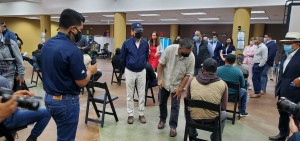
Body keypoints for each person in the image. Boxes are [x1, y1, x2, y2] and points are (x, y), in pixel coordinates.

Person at [41, 9, 97, 141]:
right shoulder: (72, 50)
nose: (81, 33)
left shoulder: (47, 44)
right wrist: (90, 71)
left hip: (49, 99)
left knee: (62, 134)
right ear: (72, 29)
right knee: (66, 138)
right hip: (66, 103)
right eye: (80, 29)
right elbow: (82, 82)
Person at [157, 38, 195, 137]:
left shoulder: (191, 57)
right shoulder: (169, 50)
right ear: (180, 48)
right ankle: (162, 120)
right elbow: (160, 65)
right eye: (186, 52)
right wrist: (159, 79)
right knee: (162, 102)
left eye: (189, 51)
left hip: (178, 84)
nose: (188, 53)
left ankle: (173, 127)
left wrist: (180, 88)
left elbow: (188, 75)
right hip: (165, 82)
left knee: (175, 106)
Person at [187, 58, 228, 141]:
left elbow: (188, 99)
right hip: (212, 121)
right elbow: (224, 107)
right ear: (216, 70)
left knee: (187, 110)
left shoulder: (192, 80)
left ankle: (192, 134)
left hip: (193, 119)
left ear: (203, 69)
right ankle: (215, 138)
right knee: (224, 113)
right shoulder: (223, 84)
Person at [269, 32, 300, 141]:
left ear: (297, 44)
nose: (286, 45)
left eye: (288, 43)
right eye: (285, 43)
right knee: (282, 113)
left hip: (295, 91)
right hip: (283, 89)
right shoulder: (284, 56)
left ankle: (293, 136)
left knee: (294, 115)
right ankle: (282, 134)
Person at [0, 75, 51, 141]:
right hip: (6, 120)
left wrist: (12, 96)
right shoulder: (2, 81)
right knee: (46, 112)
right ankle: (32, 138)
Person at [120, 22, 149, 124]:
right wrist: (125, 70)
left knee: (142, 93)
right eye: (137, 31)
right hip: (129, 71)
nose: (139, 33)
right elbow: (122, 58)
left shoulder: (145, 43)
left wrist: (142, 64)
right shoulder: (126, 43)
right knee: (129, 94)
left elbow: (146, 56)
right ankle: (130, 114)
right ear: (132, 32)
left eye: (140, 31)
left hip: (141, 71)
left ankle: (141, 114)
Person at [0, 24, 25, 89]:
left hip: (7, 77)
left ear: (1, 28)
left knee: (5, 97)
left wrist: (21, 74)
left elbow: (19, 61)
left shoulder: (11, 44)